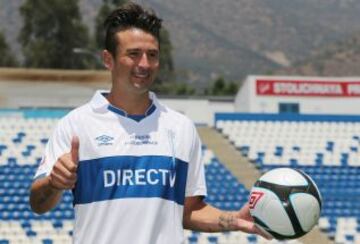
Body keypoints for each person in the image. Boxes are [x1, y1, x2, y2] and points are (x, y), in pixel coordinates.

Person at [29, 2, 271, 243]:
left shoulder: (181, 127)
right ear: (108, 59)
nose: (144, 64)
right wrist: (53, 183)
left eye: (152, 55)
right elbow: (38, 204)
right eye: (133, 54)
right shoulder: (76, 125)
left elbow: (189, 211)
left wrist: (234, 219)